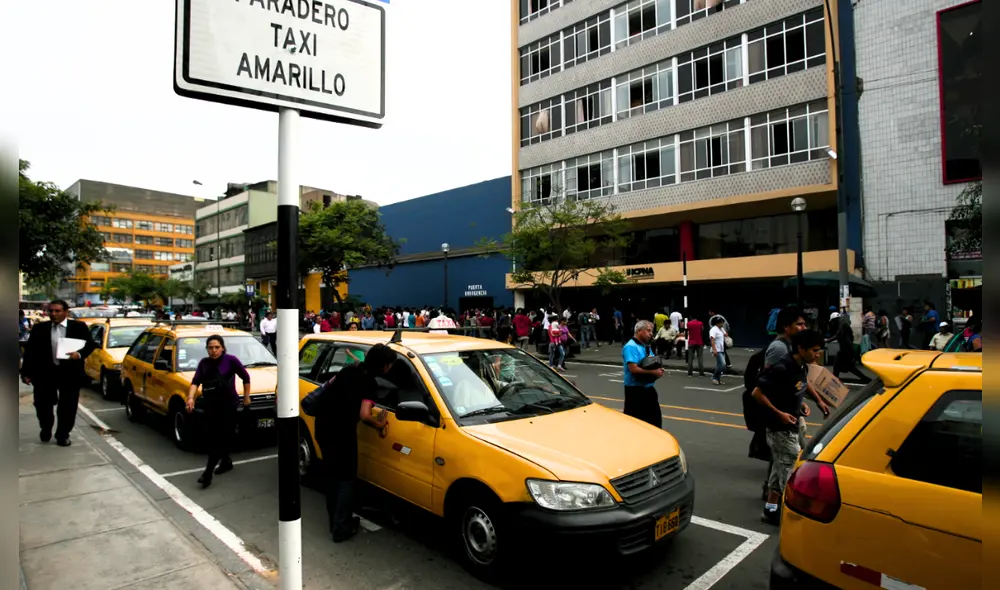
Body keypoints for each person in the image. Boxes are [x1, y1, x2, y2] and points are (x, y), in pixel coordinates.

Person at [313, 344, 395, 542]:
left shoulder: (349, 370)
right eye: (390, 364)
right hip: (342, 432)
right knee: (346, 478)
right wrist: (379, 423)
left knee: (332, 476)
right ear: (384, 366)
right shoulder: (369, 383)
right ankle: (341, 527)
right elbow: (364, 414)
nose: (390, 368)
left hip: (323, 426)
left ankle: (335, 520)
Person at [751, 329, 824, 525]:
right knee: (791, 471)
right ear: (801, 348)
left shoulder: (801, 366)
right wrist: (779, 413)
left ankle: (770, 509)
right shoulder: (782, 367)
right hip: (780, 428)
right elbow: (757, 393)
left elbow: (801, 385)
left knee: (779, 468)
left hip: (790, 426)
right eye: (815, 350)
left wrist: (814, 402)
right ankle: (794, 515)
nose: (818, 354)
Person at [20, 300, 98, 446]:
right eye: (51, 311)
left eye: (57, 311)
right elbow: (30, 352)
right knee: (42, 405)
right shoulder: (40, 329)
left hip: (69, 374)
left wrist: (79, 354)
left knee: (68, 406)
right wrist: (26, 373)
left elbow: (90, 344)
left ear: (66, 312)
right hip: (44, 374)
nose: (54, 314)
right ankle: (45, 428)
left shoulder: (78, 327)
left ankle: (62, 435)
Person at [185, 335, 251, 488]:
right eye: (210, 348)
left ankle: (207, 474)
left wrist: (246, 397)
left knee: (219, 439)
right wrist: (190, 398)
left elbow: (245, 377)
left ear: (222, 348)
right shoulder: (204, 363)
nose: (213, 350)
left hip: (228, 405)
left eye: (216, 347)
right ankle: (226, 461)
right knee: (216, 437)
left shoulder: (231, 360)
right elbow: (195, 382)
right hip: (211, 405)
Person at [622, 320, 664, 428]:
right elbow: (633, 369)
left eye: (652, 331)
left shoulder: (646, 346)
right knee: (636, 425)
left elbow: (651, 361)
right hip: (635, 392)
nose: (651, 334)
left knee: (655, 424)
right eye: (648, 331)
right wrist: (653, 372)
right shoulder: (631, 346)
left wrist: (657, 371)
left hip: (648, 389)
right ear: (639, 331)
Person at [709, 316, 727, 385]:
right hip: (717, 349)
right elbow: (712, 339)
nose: (722, 324)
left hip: (721, 349)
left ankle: (718, 379)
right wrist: (714, 349)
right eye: (721, 323)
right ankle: (715, 377)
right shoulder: (714, 329)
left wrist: (723, 331)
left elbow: (726, 335)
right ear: (718, 323)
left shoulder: (721, 329)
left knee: (719, 365)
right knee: (723, 364)